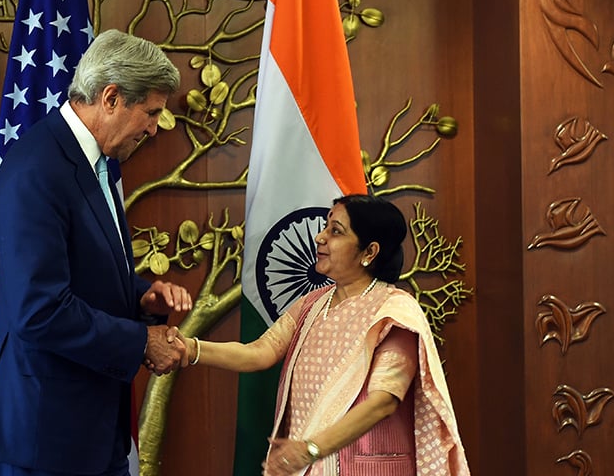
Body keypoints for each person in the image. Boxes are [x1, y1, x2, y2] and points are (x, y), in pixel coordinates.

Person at [0, 29, 192, 476]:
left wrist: (141, 297)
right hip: (41, 434)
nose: (154, 127)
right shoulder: (38, 169)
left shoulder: (94, 161)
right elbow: (39, 309)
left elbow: (83, 271)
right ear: (111, 98)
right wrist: (142, 341)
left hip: (84, 428)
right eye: (151, 112)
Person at [181, 194, 470, 476]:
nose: (320, 237)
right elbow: (259, 352)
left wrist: (311, 449)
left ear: (369, 252)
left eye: (335, 231)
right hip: (309, 464)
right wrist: (189, 349)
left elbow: (384, 401)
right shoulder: (312, 304)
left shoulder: (394, 311)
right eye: (325, 227)